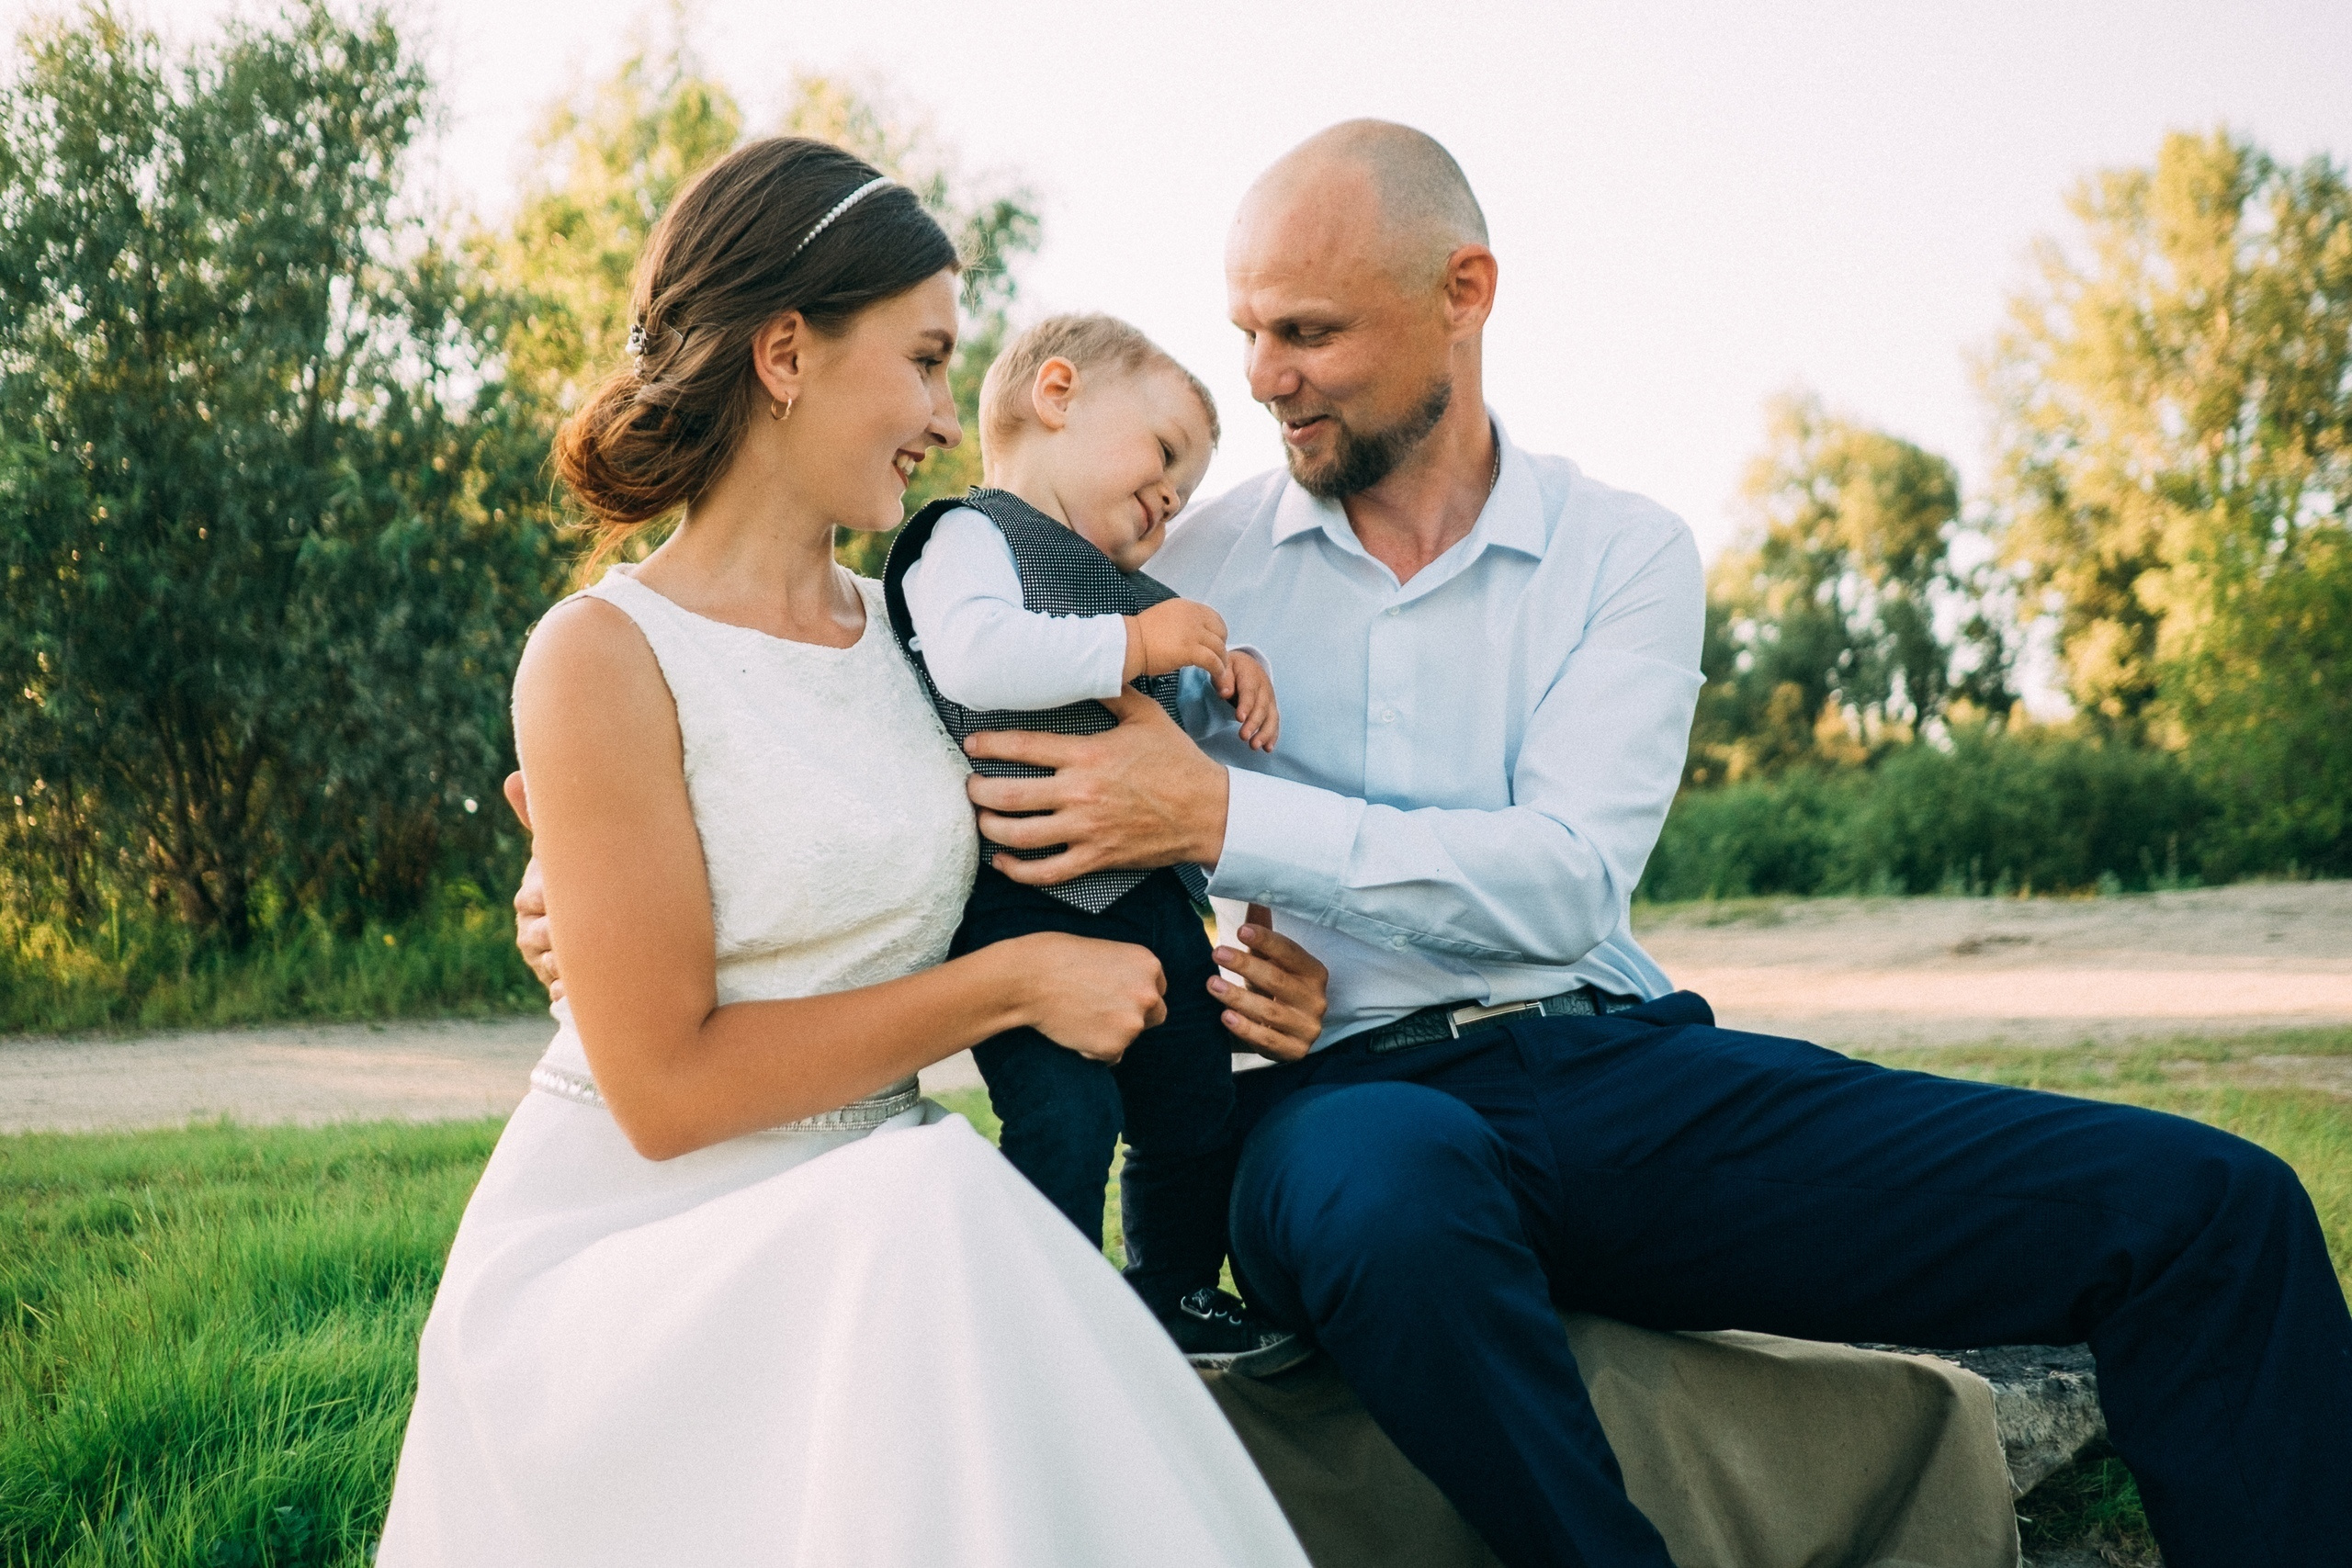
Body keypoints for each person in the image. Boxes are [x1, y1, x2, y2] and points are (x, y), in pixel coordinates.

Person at [512, 125, 2352, 1568]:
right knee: (1391, 1192)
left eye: (1304, 333)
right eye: (1242, 333)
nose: (1265, 380)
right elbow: (899, 700)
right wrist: (596, 891)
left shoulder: (1623, 554)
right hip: (1334, 1098)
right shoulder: (1176, 556)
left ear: (1462, 294)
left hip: (1618, 1059)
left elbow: (1564, 881)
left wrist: (1229, 820)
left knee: (2214, 1213)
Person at [379, 137, 1324, 1568]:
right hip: (642, 1241)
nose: (950, 418)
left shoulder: (926, 634)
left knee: (952, 1237)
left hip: (874, 1212)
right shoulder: (599, 653)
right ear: (786, 353)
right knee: (946, 1206)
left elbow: (1108, 824)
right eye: (929, 359)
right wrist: (1012, 988)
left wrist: (1259, 962)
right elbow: (667, 1087)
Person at [883, 312, 1295, 1370]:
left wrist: (1224, 663)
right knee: (1065, 1117)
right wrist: (1137, 638)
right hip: (1016, 890)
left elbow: (1165, 716)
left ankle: (1174, 1290)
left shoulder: (1131, 591)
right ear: (1055, 395)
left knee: (1197, 1097)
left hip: (1150, 891)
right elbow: (978, 657)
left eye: (1185, 498)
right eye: (1162, 457)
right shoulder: (970, 537)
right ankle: (1043, 1309)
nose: (1169, 501)